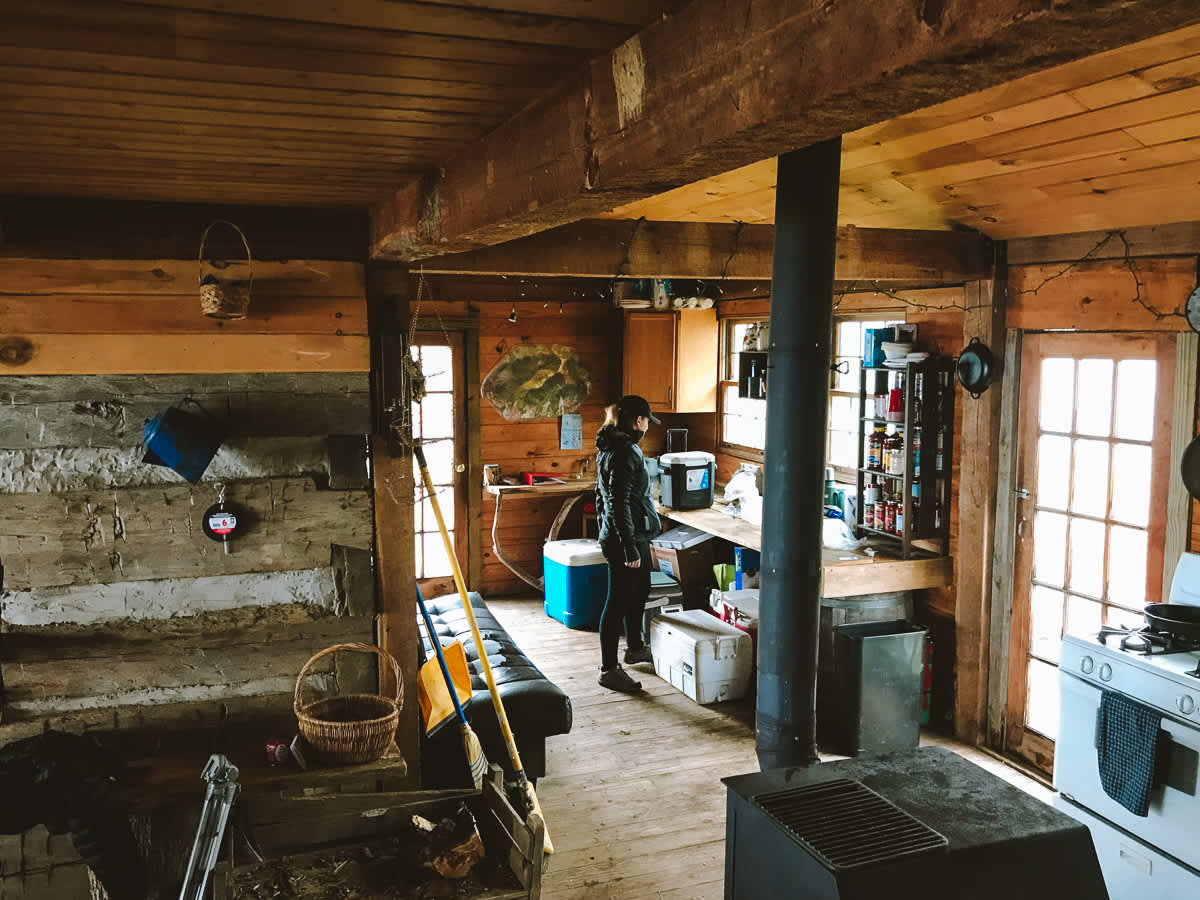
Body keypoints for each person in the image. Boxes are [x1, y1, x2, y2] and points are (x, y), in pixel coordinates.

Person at [594, 394, 661, 693]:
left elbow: (603, 497)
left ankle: (635, 647)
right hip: (625, 538)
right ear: (638, 421)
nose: (648, 426)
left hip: (630, 534)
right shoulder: (623, 452)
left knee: (640, 588)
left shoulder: (614, 446)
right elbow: (616, 502)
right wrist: (627, 545)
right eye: (647, 420)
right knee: (617, 601)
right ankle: (608, 670)